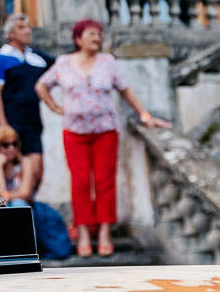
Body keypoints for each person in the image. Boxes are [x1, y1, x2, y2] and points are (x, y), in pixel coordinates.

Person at [35, 19, 168, 258]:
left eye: (99, 34)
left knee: (105, 181)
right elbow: (41, 86)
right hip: (74, 132)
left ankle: (105, 233)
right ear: (78, 39)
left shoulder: (108, 62)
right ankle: (84, 233)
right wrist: (54, 107)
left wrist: (144, 115)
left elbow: (125, 90)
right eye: (91, 34)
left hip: (106, 131)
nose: (97, 37)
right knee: (80, 182)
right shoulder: (64, 63)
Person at [0, 126, 72, 261]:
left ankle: (25, 252)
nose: (11, 148)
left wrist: (6, 196)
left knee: (18, 205)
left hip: (25, 206)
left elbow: (25, 193)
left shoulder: (25, 163)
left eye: (14, 143)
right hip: (6, 207)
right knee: (3, 208)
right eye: (5, 145)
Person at [0, 13, 51, 185]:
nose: (28, 31)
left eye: (28, 27)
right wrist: (3, 125)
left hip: (33, 122)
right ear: (10, 34)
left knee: (36, 172)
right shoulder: (1, 58)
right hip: (11, 121)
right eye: (21, 28)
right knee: (10, 171)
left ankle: (27, 199)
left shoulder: (37, 58)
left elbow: (60, 70)